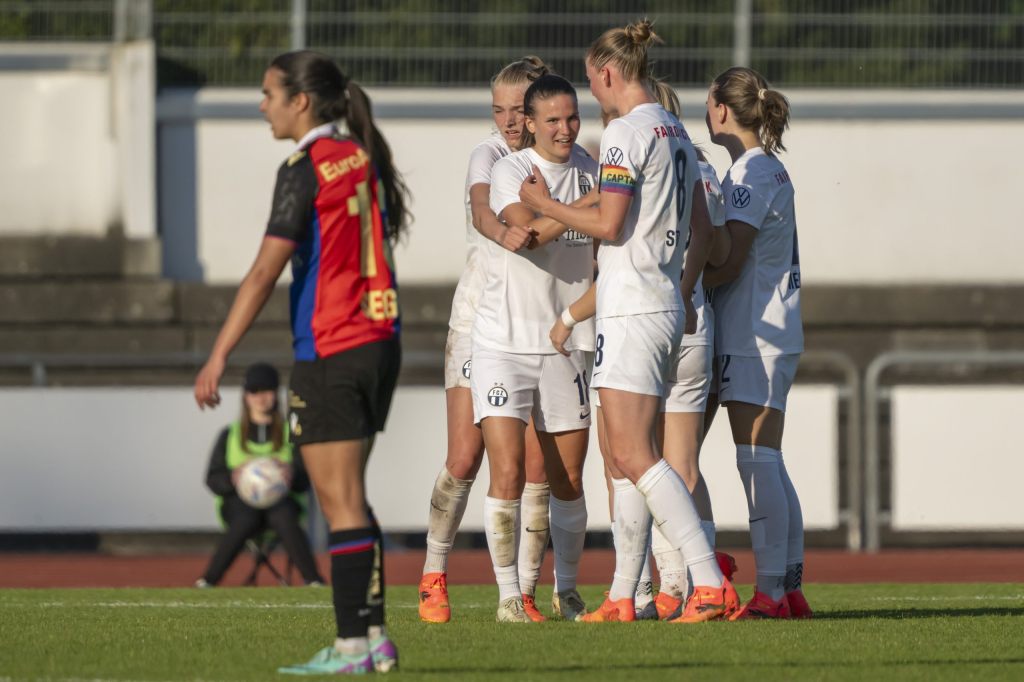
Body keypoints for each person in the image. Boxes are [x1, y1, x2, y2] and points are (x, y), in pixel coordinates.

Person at [193, 50, 410, 674]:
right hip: (380, 339)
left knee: (340, 503)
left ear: (301, 102)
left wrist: (218, 354)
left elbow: (265, 270)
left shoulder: (304, 167)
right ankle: (374, 638)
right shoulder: (362, 156)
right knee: (352, 499)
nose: (262, 106)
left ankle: (352, 647)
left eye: (269, 94)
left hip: (333, 345)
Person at [519, 19, 738, 623]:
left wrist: (544, 205)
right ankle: (624, 595)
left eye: (592, 82)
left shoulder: (624, 132)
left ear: (608, 73)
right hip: (664, 299)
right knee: (626, 457)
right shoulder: (674, 128)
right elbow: (700, 227)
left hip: (634, 304)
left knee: (632, 455)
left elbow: (609, 224)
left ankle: (707, 580)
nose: (591, 94)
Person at [418, 56, 555, 625]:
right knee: (464, 456)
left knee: (536, 467)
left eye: (518, 109)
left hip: (537, 321)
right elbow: (481, 208)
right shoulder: (490, 154)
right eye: (499, 110)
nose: (508, 121)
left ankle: (523, 593)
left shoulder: (560, 159)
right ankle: (433, 572)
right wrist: (505, 231)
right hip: (479, 321)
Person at [474, 73, 598, 623]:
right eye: (552, 120)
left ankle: (565, 590)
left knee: (567, 480)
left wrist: (575, 204)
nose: (565, 129)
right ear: (530, 122)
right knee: (507, 472)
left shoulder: (592, 168)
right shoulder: (512, 169)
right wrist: (588, 206)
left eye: (572, 117)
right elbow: (525, 236)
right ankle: (509, 597)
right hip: (503, 338)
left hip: (566, 340)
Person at [702, 66, 810, 620]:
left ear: (722, 110)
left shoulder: (749, 173)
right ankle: (789, 588)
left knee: (757, 460)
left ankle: (770, 593)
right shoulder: (767, 167)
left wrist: (686, 281)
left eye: (708, 103)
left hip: (754, 334)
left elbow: (730, 259)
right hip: (773, 331)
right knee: (769, 459)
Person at [195, 362, 323, 588]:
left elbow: (305, 480)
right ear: (246, 396)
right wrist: (234, 477)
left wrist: (290, 473)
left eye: (267, 390)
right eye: (254, 391)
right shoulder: (230, 434)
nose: (261, 397)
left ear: (276, 394)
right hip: (239, 504)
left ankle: (313, 579)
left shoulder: (291, 434)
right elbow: (213, 478)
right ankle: (209, 580)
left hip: (281, 502)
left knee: (283, 516)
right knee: (246, 518)